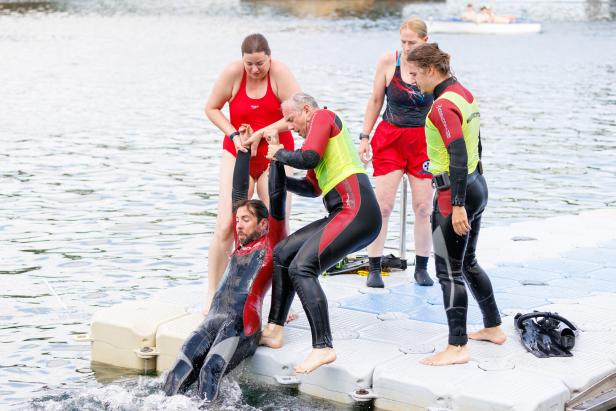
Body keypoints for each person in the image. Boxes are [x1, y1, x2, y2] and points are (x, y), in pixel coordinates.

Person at [163, 125, 288, 400]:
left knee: (209, 371)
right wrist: (243, 151)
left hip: (241, 325)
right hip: (215, 319)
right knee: (177, 371)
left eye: (246, 220)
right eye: (238, 219)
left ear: (264, 224)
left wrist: (276, 155)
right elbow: (238, 189)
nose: (239, 226)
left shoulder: (271, 245)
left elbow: (278, 199)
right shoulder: (239, 245)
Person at [259, 93, 382, 373]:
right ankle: (275, 330)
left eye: (291, 119)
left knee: (303, 268)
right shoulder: (317, 141)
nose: (290, 126)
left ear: (306, 110)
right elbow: (312, 189)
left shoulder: (323, 117)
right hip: (341, 212)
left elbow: (309, 156)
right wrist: (279, 176)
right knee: (283, 252)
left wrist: (279, 152)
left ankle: (323, 347)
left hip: (358, 209)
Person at [406, 43, 506, 366]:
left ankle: (457, 347)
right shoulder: (464, 93)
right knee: (468, 262)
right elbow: (477, 142)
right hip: (477, 185)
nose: (414, 81)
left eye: (416, 74)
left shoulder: (441, 107)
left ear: (432, 71)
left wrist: (459, 204)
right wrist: (474, 189)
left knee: (448, 272)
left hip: (454, 197)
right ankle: (493, 327)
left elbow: (458, 153)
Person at [203, 33, 300, 314]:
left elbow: (299, 113)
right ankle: (213, 292)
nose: (255, 70)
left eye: (260, 63)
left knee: (275, 229)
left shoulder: (280, 73)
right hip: (239, 152)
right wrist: (233, 133)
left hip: (273, 154)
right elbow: (211, 108)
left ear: (269, 57)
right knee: (226, 225)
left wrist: (260, 132)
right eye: (250, 64)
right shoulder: (234, 73)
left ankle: (276, 301)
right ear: (242, 60)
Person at [358, 17, 434, 288]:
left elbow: (447, 103)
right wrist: (364, 136)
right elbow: (376, 100)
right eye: (402, 41)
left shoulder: (434, 64)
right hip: (390, 137)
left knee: (424, 207)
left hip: (422, 140)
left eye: (412, 43)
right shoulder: (389, 62)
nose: (406, 47)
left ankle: (422, 266)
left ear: (425, 41)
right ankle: (375, 265)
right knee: (384, 205)